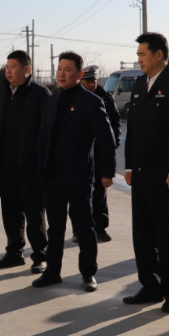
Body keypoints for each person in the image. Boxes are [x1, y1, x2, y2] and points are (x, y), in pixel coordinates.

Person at [122, 32, 169, 314]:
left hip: (166, 176)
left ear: (159, 55)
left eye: (143, 54)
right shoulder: (140, 84)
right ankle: (150, 286)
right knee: (143, 235)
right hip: (141, 174)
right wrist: (129, 166)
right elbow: (132, 130)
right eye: (138, 55)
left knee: (168, 236)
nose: (139, 59)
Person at [33, 52, 117, 291]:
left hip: (78, 176)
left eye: (67, 69)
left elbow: (106, 139)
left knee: (85, 226)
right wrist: (41, 169)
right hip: (51, 177)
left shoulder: (91, 102)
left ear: (79, 74)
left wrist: (107, 172)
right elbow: (43, 138)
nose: (61, 73)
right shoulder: (52, 101)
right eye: (59, 69)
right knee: (55, 227)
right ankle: (52, 272)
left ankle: (88, 274)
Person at [0, 50, 51, 271]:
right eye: (7, 67)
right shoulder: (2, 92)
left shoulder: (40, 94)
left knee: (34, 212)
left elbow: (48, 131)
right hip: (5, 164)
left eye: (13, 67)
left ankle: (40, 255)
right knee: (10, 209)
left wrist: (44, 161)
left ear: (26, 69)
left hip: (30, 165)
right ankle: (14, 252)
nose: (8, 71)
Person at [78, 65, 121, 243]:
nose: (91, 85)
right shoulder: (75, 98)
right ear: (81, 81)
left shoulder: (106, 99)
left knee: (100, 192)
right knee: (79, 194)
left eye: (93, 81)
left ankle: (100, 228)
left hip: (100, 154)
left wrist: (113, 144)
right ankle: (79, 229)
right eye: (87, 82)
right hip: (80, 155)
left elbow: (115, 123)